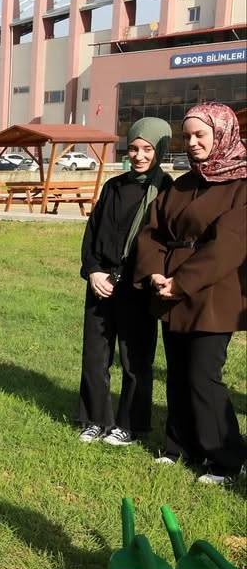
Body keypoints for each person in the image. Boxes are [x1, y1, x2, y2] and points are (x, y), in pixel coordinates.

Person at [135, 102, 247, 485]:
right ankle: (179, 445)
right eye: (188, 136)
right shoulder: (183, 183)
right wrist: (153, 272)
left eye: (201, 135)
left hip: (213, 292)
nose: (193, 143)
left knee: (203, 375)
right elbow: (152, 231)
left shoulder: (240, 186)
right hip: (168, 291)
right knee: (179, 373)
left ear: (222, 135)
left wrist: (180, 282)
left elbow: (229, 246)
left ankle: (225, 457)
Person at [76, 118, 171, 447]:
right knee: (94, 356)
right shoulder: (113, 187)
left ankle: (130, 425)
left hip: (137, 287)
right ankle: (94, 418)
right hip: (102, 282)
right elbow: (92, 233)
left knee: (135, 362)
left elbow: (163, 243)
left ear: (161, 149)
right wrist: (92, 271)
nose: (139, 156)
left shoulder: (166, 190)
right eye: (133, 148)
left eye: (147, 149)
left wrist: (137, 280)